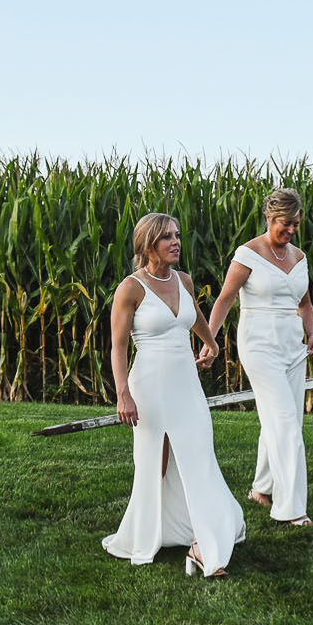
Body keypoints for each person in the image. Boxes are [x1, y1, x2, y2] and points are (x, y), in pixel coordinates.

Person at [102, 212, 245, 578]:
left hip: (186, 384)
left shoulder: (183, 279)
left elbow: (194, 313)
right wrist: (123, 395)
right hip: (148, 386)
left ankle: (204, 543)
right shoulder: (130, 288)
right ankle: (150, 532)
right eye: (167, 237)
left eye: (177, 235)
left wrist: (210, 342)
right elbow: (118, 348)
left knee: (200, 455)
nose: (176, 242)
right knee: (155, 462)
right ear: (148, 244)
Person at [208, 187, 313, 526]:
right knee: (284, 422)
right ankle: (290, 510)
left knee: (285, 419)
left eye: (296, 225)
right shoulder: (248, 254)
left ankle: (261, 487)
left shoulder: (298, 258)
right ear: (270, 218)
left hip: (292, 348)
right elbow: (225, 299)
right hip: (259, 345)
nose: (291, 232)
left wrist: (312, 330)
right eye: (285, 225)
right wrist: (209, 341)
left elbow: (305, 302)